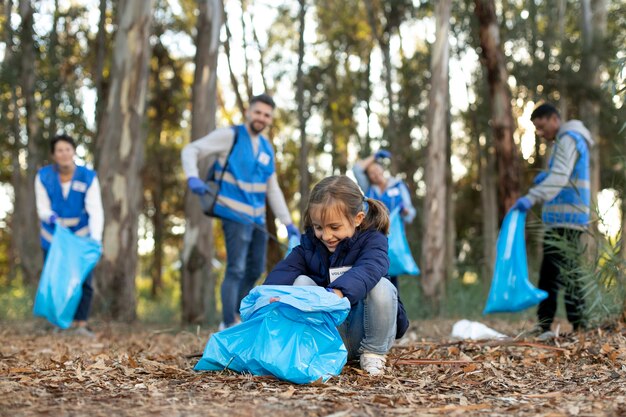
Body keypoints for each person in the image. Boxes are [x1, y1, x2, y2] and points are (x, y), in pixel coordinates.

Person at [264, 176, 409, 376]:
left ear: (357, 219)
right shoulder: (311, 245)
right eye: (319, 227)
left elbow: (369, 268)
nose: (326, 236)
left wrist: (338, 292)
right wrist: (265, 296)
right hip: (332, 332)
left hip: (365, 329)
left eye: (334, 227)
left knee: (381, 286)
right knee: (301, 282)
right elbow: (286, 270)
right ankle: (319, 351)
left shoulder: (374, 241)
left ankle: (373, 354)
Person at [181, 93, 299, 330]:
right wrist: (192, 176)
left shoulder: (266, 148)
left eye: (267, 115)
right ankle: (228, 322)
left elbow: (272, 188)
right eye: (258, 112)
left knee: (255, 268)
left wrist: (287, 222)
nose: (261, 118)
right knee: (236, 267)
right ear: (248, 112)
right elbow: (191, 150)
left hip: (257, 220)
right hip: (233, 214)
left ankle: (236, 312)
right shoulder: (230, 136)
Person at [511, 103, 593, 339]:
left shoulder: (569, 138)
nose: (540, 132)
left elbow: (559, 177)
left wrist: (532, 197)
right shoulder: (569, 140)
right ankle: (577, 324)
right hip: (566, 219)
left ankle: (553, 325)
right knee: (565, 272)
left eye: (541, 126)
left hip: (565, 221)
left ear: (554, 119)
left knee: (553, 274)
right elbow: (561, 175)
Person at [35, 134, 104, 337]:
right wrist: (51, 217)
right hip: (53, 236)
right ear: (53, 155)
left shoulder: (88, 176)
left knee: (85, 279)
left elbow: (95, 210)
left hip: (80, 236)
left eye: (67, 149)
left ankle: (81, 323)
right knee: (56, 278)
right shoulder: (43, 176)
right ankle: (59, 323)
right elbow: (42, 208)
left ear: (73, 151)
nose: (64, 153)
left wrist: (96, 239)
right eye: (59, 150)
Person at [352, 150, 416, 289]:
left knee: (391, 276)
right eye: (371, 173)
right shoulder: (369, 188)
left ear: (383, 169)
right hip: (373, 237)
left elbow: (411, 213)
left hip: (393, 238)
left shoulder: (398, 186)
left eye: (376, 169)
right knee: (376, 273)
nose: (375, 174)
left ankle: (394, 308)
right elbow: (356, 169)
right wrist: (374, 156)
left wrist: (405, 211)